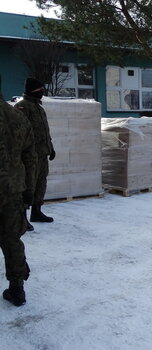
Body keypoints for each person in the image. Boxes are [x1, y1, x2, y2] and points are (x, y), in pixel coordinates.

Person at [0, 76, 37, 306]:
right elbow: (30, 157)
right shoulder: (17, 116)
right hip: (12, 190)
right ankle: (17, 288)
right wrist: (29, 190)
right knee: (12, 239)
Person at [15, 78, 56, 230]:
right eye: (40, 90)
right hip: (29, 156)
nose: (42, 92)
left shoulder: (39, 108)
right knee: (28, 185)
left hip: (42, 153)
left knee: (41, 183)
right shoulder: (22, 107)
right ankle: (22, 217)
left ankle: (37, 212)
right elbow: (20, 133)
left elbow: (45, 132)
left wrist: (50, 148)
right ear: (33, 90)